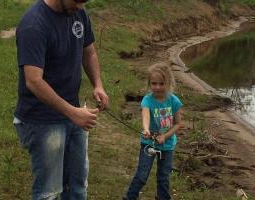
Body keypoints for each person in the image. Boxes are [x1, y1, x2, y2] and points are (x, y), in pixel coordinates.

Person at [13, 0, 109, 199]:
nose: (81, 7)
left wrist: (98, 85)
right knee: (49, 192)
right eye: (77, 1)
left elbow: (88, 52)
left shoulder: (78, 12)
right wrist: (72, 112)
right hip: (42, 121)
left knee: (77, 187)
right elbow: (33, 81)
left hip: (73, 114)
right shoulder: (34, 24)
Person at [123, 63, 183, 200]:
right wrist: (145, 129)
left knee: (163, 177)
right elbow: (145, 115)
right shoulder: (147, 100)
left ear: (168, 83)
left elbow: (178, 124)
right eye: (153, 83)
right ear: (149, 83)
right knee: (142, 175)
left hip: (167, 146)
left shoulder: (175, 101)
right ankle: (130, 197)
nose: (157, 87)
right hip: (148, 144)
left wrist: (165, 136)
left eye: (161, 84)